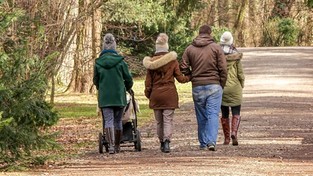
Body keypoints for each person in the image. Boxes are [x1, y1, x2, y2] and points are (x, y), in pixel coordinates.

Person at [180, 25, 227, 151]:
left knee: (201, 115)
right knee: (213, 114)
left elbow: (183, 66)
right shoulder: (216, 48)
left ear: (199, 33)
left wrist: (191, 76)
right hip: (214, 85)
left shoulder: (189, 49)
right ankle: (211, 141)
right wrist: (221, 84)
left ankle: (202, 142)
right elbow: (223, 68)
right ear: (210, 33)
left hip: (197, 86)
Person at [143, 33, 190, 153]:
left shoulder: (151, 64)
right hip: (169, 94)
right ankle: (167, 143)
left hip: (156, 94)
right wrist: (190, 77)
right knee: (168, 119)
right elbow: (180, 78)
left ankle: (161, 142)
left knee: (159, 121)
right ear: (166, 46)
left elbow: (148, 83)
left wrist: (149, 94)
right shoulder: (173, 62)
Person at [93, 33, 133, 154]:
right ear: (115, 45)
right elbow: (128, 79)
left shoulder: (98, 63)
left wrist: (101, 88)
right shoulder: (121, 62)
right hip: (119, 96)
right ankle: (117, 146)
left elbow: (95, 80)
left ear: (103, 46)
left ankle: (110, 146)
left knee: (108, 120)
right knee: (118, 120)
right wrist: (127, 87)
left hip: (105, 97)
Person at [219, 31, 245, 146]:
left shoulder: (217, 54)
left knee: (224, 113)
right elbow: (240, 74)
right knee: (236, 111)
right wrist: (241, 85)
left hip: (222, 87)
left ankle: (227, 139)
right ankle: (234, 132)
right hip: (235, 87)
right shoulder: (236, 55)